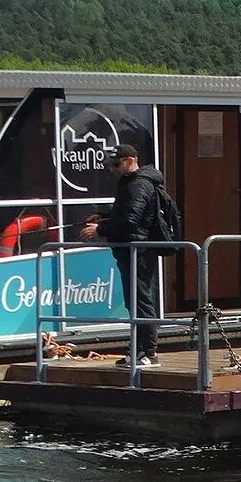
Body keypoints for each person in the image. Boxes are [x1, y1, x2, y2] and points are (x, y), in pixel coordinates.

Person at [79, 143, 168, 367]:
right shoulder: (129, 183)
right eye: (110, 166)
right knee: (133, 301)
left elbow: (130, 221)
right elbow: (125, 214)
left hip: (139, 251)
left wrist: (99, 230)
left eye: (116, 165)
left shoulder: (139, 185)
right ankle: (139, 350)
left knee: (141, 301)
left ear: (130, 161)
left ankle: (149, 352)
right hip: (130, 251)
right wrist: (103, 216)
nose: (113, 170)